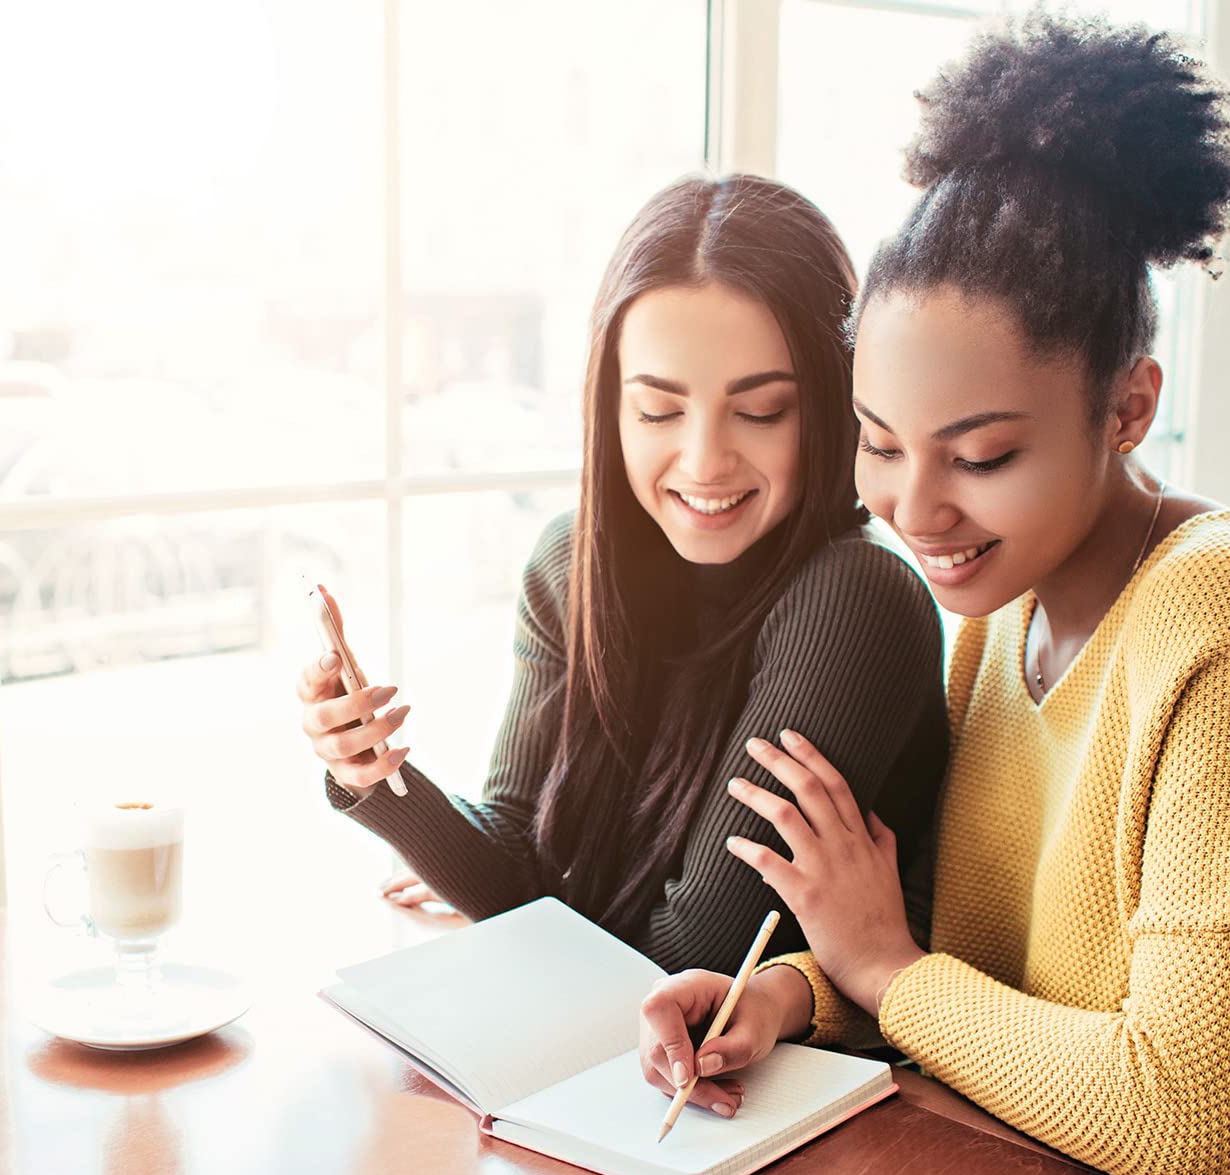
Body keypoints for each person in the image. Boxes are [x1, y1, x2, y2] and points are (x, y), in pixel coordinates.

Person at [636, 15, 1230, 1175]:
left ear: (1128, 408)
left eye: (982, 454)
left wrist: (884, 968)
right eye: (880, 441)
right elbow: (965, 968)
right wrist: (786, 998)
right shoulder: (998, 617)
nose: (915, 509)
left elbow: (1192, 1121)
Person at [297, 174, 947, 990]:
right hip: (628, 1061)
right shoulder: (572, 563)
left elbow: (686, 959)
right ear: (610, 407)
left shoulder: (856, 601)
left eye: (761, 410)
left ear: (827, 405)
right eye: (658, 409)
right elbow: (517, 855)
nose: (706, 461)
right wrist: (374, 777)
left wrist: (524, 898)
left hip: (789, 1089)